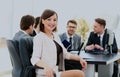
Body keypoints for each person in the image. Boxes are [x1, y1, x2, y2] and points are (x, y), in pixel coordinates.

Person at [31, 9, 87, 77]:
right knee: (79, 74)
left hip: (56, 72)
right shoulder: (39, 38)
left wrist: (80, 59)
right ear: (42, 21)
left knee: (80, 73)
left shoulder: (55, 36)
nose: (52, 22)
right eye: (49, 19)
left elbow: (65, 54)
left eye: (54, 20)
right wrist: (46, 67)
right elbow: (34, 58)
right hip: (46, 74)